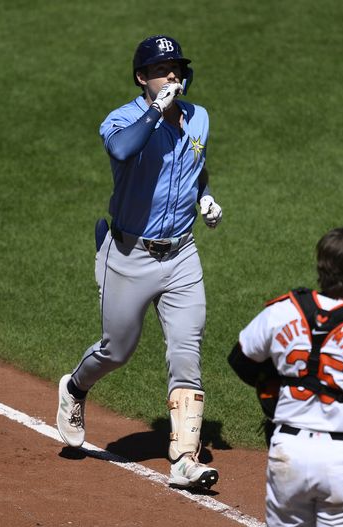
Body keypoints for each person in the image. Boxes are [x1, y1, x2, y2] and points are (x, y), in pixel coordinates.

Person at [56, 35, 223, 490]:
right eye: (161, 69)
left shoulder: (199, 117)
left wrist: (205, 196)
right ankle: (74, 388)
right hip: (129, 255)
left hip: (182, 254)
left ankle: (185, 458)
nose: (172, 74)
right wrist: (155, 111)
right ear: (141, 78)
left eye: (177, 67)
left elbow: (194, 164)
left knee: (186, 353)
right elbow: (123, 151)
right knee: (117, 349)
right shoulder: (122, 120)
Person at [228, 224, 343, 526]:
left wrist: (280, 386)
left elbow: (241, 360)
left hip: (289, 452)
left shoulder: (282, 312)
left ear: (321, 268)